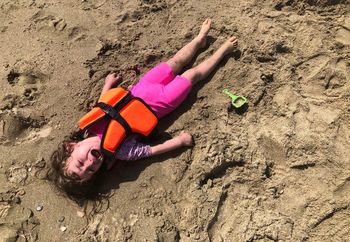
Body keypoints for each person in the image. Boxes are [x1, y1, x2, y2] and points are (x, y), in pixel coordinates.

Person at [48, 19, 238, 200]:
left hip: (143, 86)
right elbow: (151, 150)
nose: (90, 163)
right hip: (162, 102)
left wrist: (108, 85)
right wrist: (179, 142)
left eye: (80, 163)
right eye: (90, 171)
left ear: (71, 146)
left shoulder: (88, 127)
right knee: (192, 75)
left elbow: (102, 105)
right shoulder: (120, 151)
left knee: (176, 60)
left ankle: (199, 40)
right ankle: (222, 52)